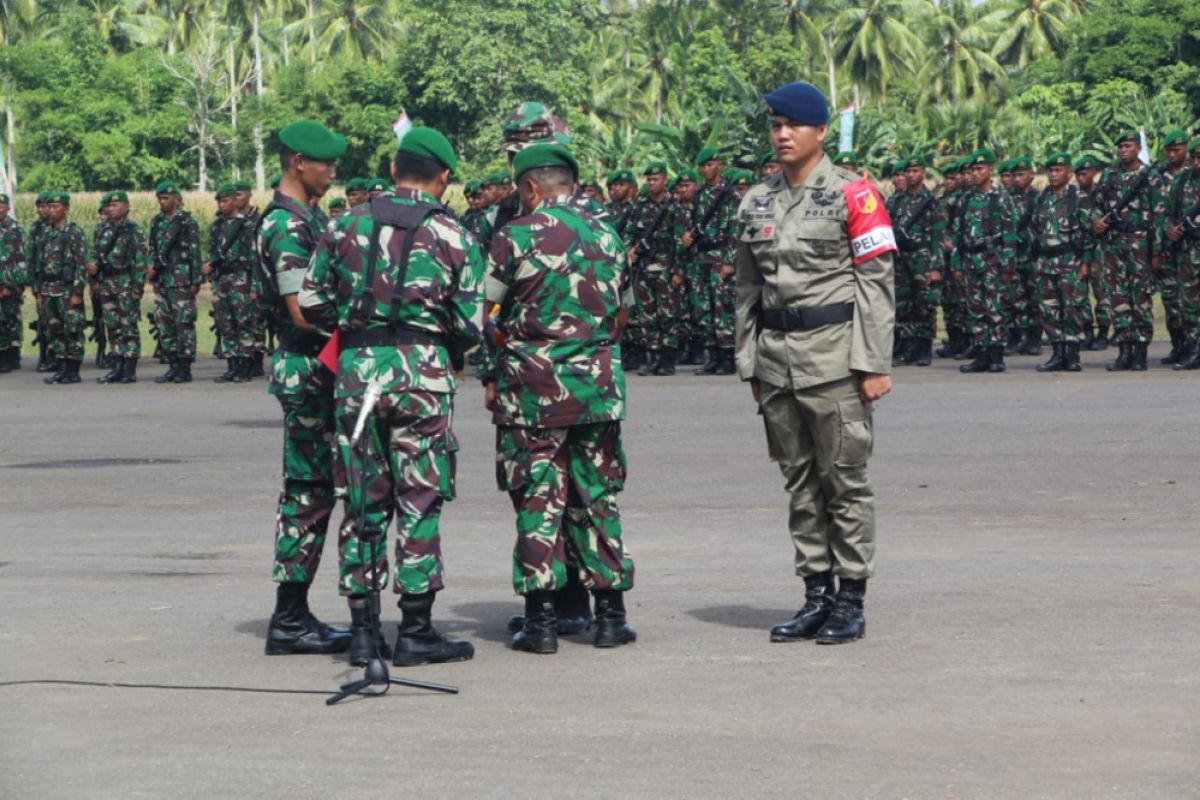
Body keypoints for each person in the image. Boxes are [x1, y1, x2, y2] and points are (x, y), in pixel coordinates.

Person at [299, 127, 484, 667]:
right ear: (442, 176)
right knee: (419, 498)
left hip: (357, 375)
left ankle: (362, 631)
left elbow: (310, 302)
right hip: (422, 378)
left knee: (361, 501)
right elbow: (471, 327)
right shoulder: (453, 234)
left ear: (397, 166)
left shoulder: (345, 222)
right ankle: (417, 630)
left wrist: (357, 321)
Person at [734, 82, 895, 645]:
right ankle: (815, 595)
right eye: (775, 125)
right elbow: (747, 290)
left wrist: (872, 364)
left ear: (821, 131)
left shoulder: (856, 195)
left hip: (835, 361)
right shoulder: (755, 200)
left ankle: (851, 599)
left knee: (844, 482)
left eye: (794, 125)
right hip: (777, 363)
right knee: (800, 484)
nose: (782, 134)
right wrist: (749, 362)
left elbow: (876, 284)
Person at [483, 143, 636, 655]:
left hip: (533, 390)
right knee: (597, 495)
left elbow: (485, 315)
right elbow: (621, 316)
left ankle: (542, 622)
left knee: (538, 498)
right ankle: (611, 616)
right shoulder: (608, 235)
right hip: (597, 386)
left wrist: (508, 353)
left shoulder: (513, 236)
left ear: (529, 188)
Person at [257, 119, 352, 656]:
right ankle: (289, 618)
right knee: (308, 492)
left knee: (314, 490)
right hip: (309, 367)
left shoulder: (306, 218)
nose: (332, 174)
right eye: (326, 164)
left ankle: (295, 613)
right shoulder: (287, 226)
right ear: (298, 162)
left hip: (318, 367)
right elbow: (301, 311)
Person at [1092, 131, 1167, 372]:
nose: (1123, 150)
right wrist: (1096, 220)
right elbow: (1095, 205)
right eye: (1120, 146)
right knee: (1118, 297)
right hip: (1115, 246)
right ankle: (1124, 350)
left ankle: (1140, 352)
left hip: (1141, 246)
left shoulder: (1151, 177)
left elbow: (1159, 216)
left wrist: (1157, 252)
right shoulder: (1109, 176)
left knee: (1141, 299)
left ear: (1138, 148)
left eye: (1127, 146)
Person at [952, 149, 1019, 373]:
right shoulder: (965, 199)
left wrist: (1009, 264)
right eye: (973, 169)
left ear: (991, 170)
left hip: (994, 260)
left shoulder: (1001, 197)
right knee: (976, 309)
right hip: (971, 260)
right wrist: (956, 263)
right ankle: (981, 353)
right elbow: (957, 235)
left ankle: (997, 354)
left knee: (995, 308)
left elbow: (1010, 234)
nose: (976, 173)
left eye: (980, 169)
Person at [1029, 153, 1094, 372]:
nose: (1054, 174)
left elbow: (1089, 234)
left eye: (1058, 170)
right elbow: (1035, 230)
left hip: (1070, 263)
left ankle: (1073, 355)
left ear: (1068, 172)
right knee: (1049, 310)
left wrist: (1085, 262)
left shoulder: (1079, 198)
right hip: (1046, 263)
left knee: (1072, 309)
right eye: (1050, 170)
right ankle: (1057, 354)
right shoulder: (1041, 199)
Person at [890, 156, 946, 367]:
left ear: (923, 173)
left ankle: (923, 348)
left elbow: (938, 236)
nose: (911, 175)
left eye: (916, 171)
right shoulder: (895, 201)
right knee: (903, 305)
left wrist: (935, 266)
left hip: (923, 259)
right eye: (908, 171)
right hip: (900, 259)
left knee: (925, 304)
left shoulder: (932, 201)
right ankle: (906, 347)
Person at [627, 161, 682, 375]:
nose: (651, 183)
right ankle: (654, 356)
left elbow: (680, 241)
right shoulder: (640, 205)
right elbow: (631, 233)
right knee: (647, 315)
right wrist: (629, 250)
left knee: (667, 314)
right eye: (649, 179)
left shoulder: (674, 206)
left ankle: (668, 359)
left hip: (666, 266)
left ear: (665, 180)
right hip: (643, 267)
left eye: (655, 179)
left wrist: (679, 271)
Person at [688, 146, 738, 375]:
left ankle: (728, 355)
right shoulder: (699, 195)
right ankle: (712, 355)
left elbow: (735, 228)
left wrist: (729, 260)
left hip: (720, 255)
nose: (707, 169)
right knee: (703, 307)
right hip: (701, 256)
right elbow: (694, 222)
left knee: (722, 307)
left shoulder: (729, 194)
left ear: (720, 165)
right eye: (703, 166)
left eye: (710, 164)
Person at [147, 181, 202, 384]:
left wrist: (196, 280)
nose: (163, 202)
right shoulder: (157, 222)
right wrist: (149, 267)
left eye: (167, 198)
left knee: (184, 323)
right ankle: (172, 365)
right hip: (162, 280)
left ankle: (184, 367)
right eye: (160, 198)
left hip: (181, 280)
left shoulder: (187, 222)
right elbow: (152, 248)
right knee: (164, 323)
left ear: (176, 199)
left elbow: (195, 252)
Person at [92, 191, 146, 384]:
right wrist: (94, 279)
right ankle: (116, 365)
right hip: (107, 283)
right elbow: (94, 255)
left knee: (128, 326)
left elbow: (140, 261)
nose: (111, 209)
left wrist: (138, 287)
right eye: (109, 206)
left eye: (115, 205)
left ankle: (129, 367)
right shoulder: (101, 229)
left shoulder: (133, 230)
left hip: (125, 283)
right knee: (112, 326)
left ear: (126, 207)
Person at [207, 182, 259, 382]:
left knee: (243, 323)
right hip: (222, 279)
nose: (222, 204)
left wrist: (253, 286)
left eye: (226, 200)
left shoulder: (246, 225)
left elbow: (254, 257)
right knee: (225, 324)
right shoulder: (217, 226)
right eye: (219, 201)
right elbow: (212, 252)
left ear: (235, 201)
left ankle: (245, 366)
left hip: (240, 278)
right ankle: (232, 365)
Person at [36, 193, 89, 385]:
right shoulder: (47, 233)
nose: (50, 210)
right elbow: (42, 265)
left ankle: (73, 370)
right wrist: (41, 291)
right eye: (49, 206)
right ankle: (61, 367)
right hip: (49, 288)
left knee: (72, 329)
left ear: (66, 209)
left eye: (55, 206)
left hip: (67, 290)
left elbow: (81, 264)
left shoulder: (73, 232)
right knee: (54, 328)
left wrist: (77, 292)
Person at [1163, 136, 1200, 370]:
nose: (1197, 162)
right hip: (1188, 252)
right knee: (1188, 303)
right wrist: (1171, 230)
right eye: (1195, 158)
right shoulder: (1182, 180)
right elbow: (1169, 213)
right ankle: (1194, 348)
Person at [1157, 130, 1190, 364]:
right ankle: (1178, 345)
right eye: (1168, 151)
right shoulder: (1156, 177)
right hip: (1167, 248)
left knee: (1190, 300)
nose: (1172, 155)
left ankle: (1192, 346)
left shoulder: (1192, 175)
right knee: (1170, 300)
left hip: (1189, 248)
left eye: (1176, 150)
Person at [1074, 155, 1110, 351]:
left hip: (1101, 250)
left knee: (1102, 292)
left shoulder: (1103, 194)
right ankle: (1086, 332)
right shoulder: (1074, 197)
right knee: (1079, 293)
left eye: (1084, 174)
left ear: (1094, 174)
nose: (1081, 178)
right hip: (1080, 251)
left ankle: (1103, 333)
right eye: (1078, 174)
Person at [0, 193, 27, 373]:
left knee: (11, 319)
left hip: (10, 284)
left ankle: (12, 355)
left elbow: (21, 259)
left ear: (8, 208)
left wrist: (14, 285)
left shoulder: (15, 230)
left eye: (1, 205)